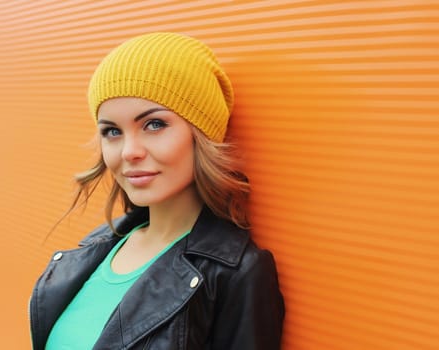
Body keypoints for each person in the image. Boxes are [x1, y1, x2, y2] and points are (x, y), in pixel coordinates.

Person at [29, 32, 284, 349]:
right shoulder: (95, 248)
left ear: (200, 134)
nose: (128, 151)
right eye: (112, 131)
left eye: (154, 125)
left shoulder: (234, 275)